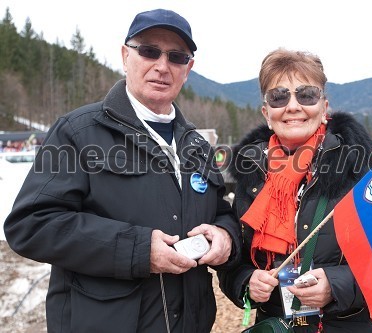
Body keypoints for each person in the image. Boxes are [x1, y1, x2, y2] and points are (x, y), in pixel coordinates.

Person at [3, 9, 241, 333]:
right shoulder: (77, 132)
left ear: (188, 69)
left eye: (176, 57)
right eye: (149, 51)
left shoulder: (197, 146)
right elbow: (31, 224)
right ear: (125, 55)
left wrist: (226, 236)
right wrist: (138, 250)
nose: (162, 66)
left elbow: (222, 211)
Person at [217, 48, 372, 332]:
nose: (293, 106)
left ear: (324, 107)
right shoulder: (251, 176)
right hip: (276, 325)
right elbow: (233, 262)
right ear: (267, 112)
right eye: (279, 96)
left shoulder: (359, 167)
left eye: (306, 95)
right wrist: (247, 282)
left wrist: (337, 286)